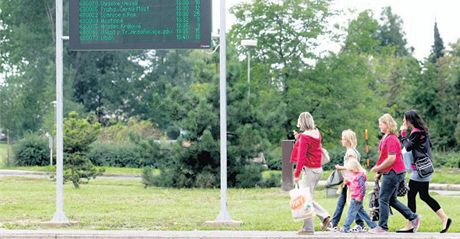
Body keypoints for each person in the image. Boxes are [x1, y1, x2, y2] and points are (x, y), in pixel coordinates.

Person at [398, 110, 452, 233]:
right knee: (424, 195)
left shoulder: (417, 133)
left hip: (420, 170)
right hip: (424, 168)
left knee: (411, 195)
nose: (403, 121)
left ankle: (411, 224)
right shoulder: (421, 132)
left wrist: (403, 132)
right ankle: (444, 218)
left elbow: (408, 146)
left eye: (404, 119)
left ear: (409, 120)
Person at [369, 113, 421, 234]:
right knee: (391, 200)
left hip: (394, 172)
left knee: (383, 199)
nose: (379, 126)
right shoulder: (386, 137)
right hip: (391, 171)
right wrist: (380, 171)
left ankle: (382, 227)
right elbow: (384, 157)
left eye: (381, 124)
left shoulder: (391, 138)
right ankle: (413, 217)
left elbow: (391, 159)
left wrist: (377, 168)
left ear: (387, 124)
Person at [290, 112, 331, 235]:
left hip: (309, 171)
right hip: (318, 169)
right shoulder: (317, 133)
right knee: (307, 198)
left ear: (301, 122)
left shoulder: (305, 137)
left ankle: (311, 226)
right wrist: (299, 138)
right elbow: (312, 148)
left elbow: (302, 157)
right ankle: (319, 220)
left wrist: (296, 174)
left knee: (304, 199)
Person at [329, 129, 365, 232]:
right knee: (342, 201)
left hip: (351, 181)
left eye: (343, 139)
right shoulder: (355, 151)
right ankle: (334, 222)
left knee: (352, 202)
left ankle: (360, 223)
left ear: (348, 140)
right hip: (349, 180)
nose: (342, 140)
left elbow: (351, 167)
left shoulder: (350, 152)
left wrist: (340, 167)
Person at [339, 157, 377, 232]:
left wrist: (360, 196)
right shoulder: (355, 175)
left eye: (351, 170)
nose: (351, 172)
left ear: (356, 167)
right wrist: (348, 182)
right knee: (363, 214)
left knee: (351, 213)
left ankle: (346, 227)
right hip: (354, 197)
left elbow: (362, 188)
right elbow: (354, 184)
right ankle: (373, 226)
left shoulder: (361, 176)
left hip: (357, 198)